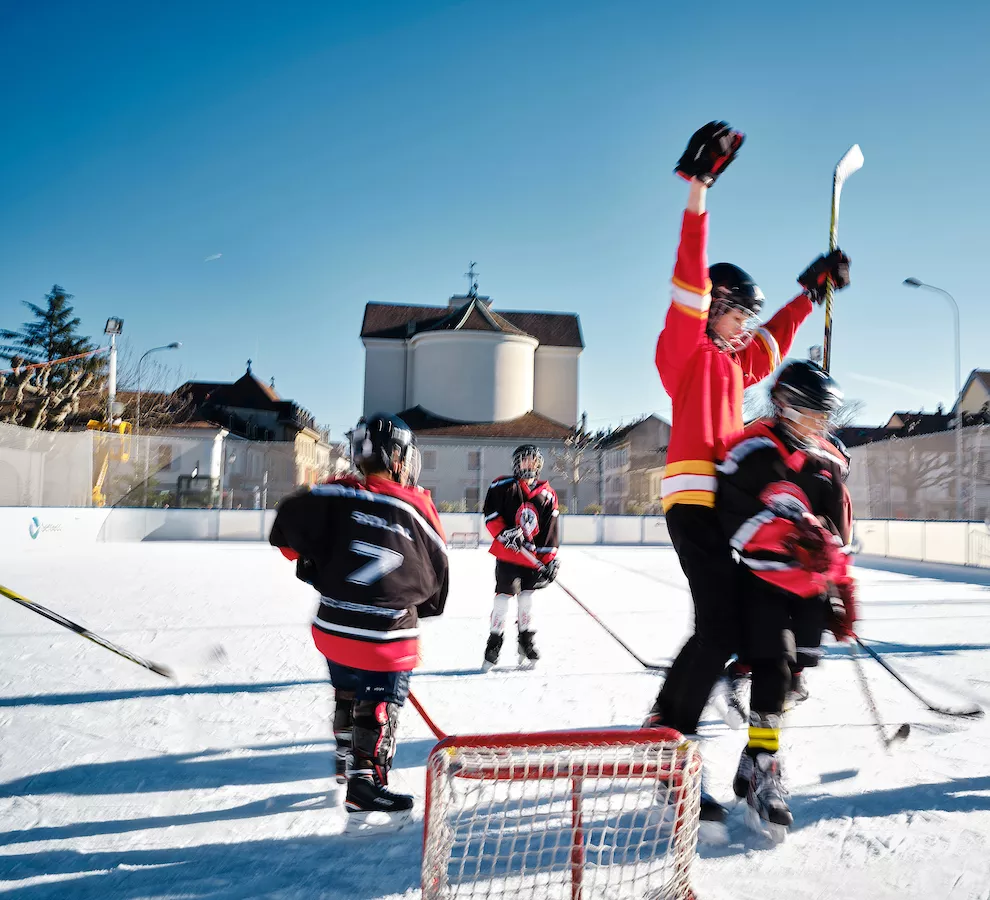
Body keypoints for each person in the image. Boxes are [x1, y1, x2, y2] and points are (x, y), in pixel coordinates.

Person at [644, 120, 851, 834]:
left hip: (729, 504)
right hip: (693, 500)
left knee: (734, 626)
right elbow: (689, 273)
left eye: (745, 320)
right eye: (734, 313)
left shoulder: (737, 363)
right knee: (720, 624)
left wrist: (809, 289)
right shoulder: (687, 349)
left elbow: (777, 342)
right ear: (712, 306)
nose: (742, 329)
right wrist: (698, 189)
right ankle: (664, 745)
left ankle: (676, 725)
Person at [268, 413, 448, 829]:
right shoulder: (416, 503)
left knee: (347, 692)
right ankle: (365, 779)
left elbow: (287, 534)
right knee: (378, 702)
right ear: (399, 458)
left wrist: (314, 563)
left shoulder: (331, 492)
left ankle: (344, 760)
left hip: (333, 630)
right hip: (386, 636)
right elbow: (437, 582)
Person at [716, 360, 858, 839]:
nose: (822, 425)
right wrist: (789, 534)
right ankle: (765, 765)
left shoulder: (826, 464)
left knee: (791, 684)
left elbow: (839, 536)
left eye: (826, 417)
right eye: (815, 414)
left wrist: (841, 588)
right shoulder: (753, 450)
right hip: (764, 584)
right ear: (785, 404)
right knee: (774, 666)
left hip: (809, 595)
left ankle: (753, 757)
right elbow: (733, 521)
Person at [481, 444, 560, 670]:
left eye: (533, 460)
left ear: (538, 464)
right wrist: (504, 533)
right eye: (525, 460)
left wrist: (549, 560)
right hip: (508, 555)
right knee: (502, 600)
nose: (529, 464)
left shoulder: (548, 495)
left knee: (528, 600)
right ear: (517, 463)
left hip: (531, 559)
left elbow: (548, 531)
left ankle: (525, 641)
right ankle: (494, 642)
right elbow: (491, 514)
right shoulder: (502, 486)